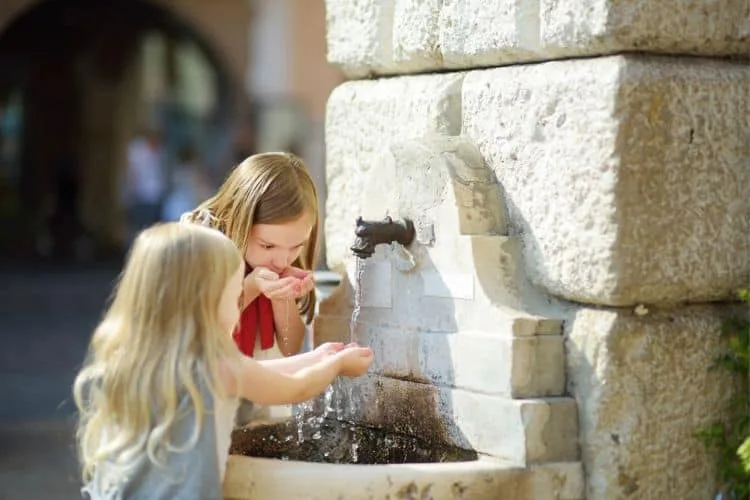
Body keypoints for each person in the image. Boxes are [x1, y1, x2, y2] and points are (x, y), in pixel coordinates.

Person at [73, 223, 373, 499]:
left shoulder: (136, 359)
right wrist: (336, 366)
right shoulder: (214, 365)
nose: (238, 306)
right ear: (207, 303)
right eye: (234, 296)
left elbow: (257, 373)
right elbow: (294, 388)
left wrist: (316, 357)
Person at [181, 152, 319, 361]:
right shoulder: (200, 242)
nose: (282, 261)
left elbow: (290, 349)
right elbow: (200, 332)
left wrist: (283, 295)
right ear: (240, 220)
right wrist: (251, 287)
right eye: (267, 245)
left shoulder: (282, 260)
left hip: (259, 385)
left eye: (296, 246)